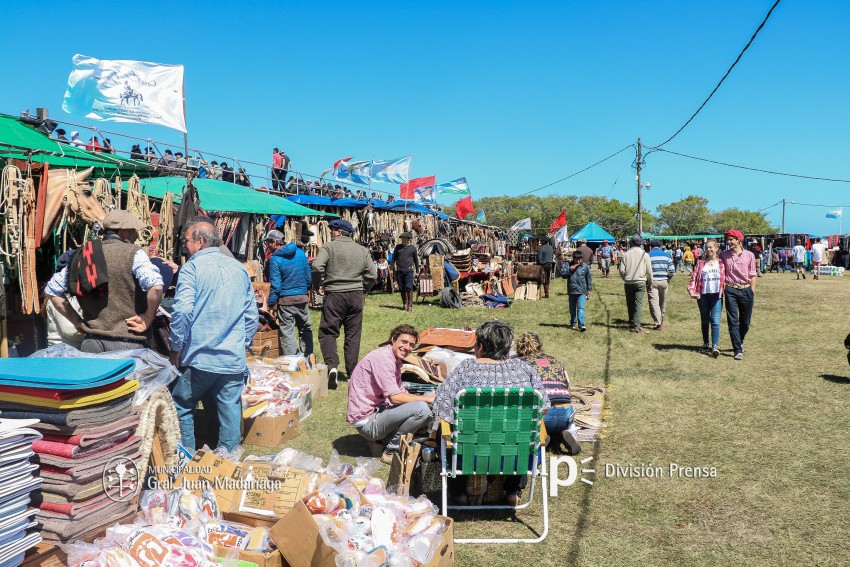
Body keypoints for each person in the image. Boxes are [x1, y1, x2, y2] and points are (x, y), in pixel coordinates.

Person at [432, 321, 550, 506]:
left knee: (443, 431)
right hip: (517, 457)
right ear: (506, 347)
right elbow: (543, 408)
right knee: (529, 431)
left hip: (469, 456)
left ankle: (458, 493)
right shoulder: (525, 370)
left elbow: (442, 409)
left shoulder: (465, 370)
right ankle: (512, 490)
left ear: (479, 346)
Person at [168, 219, 259, 452]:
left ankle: (186, 459)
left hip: (200, 357)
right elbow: (251, 315)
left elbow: (183, 311)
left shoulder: (192, 268)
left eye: (186, 241)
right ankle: (228, 461)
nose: (184, 246)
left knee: (182, 404)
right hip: (230, 359)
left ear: (200, 241)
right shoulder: (238, 268)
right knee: (229, 409)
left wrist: (175, 348)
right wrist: (242, 343)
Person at [45, 210, 164, 353]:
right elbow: (156, 287)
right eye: (134, 231)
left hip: (92, 343)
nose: (137, 236)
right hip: (128, 342)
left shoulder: (84, 254)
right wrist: (148, 317)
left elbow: (52, 290)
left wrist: (76, 321)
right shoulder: (134, 253)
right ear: (124, 231)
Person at [347, 325, 434, 464]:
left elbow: (400, 391)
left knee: (425, 406)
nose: (407, 347)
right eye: (404, 342)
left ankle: (383, 439)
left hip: (378, 410)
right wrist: (427, 399)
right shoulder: (383, 359)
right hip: (368, 421)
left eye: (411, 345)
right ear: (393, 340)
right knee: (421, 409)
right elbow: (395, 397)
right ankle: (390, 450)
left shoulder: (393, 359)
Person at [312, 219, 377, 389]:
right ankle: (352, 373)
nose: (331, 233)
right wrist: (363, 290)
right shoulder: (362, 250)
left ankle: (332, 366)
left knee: (328, 332)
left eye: (332, 230)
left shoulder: (328, 247)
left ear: (339, 232)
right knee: (353, 335)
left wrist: (317, 285)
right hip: (356, 295)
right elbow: (373, 274)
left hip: (335, 295)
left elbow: (317, 266)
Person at [514, 332, 580, 455]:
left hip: (544, 415)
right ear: (539, 345)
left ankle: (542, 437)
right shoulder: (555, 361)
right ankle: (565, 431)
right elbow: (568, 388)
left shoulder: (518, 364)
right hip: (566, 412)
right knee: (561, 420)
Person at [266, 229, 313, 357]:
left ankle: (293, 362)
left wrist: (270, 303)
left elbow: (276, 286)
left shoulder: (275, 259)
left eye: (268, 243)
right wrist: (304, 291)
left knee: (287, 333)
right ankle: (308, 358)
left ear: (275, 243)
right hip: (302, 298)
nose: (267, 246)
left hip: (286, 301)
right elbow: (308, 277)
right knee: (305, 329)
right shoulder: (300, 253)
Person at [719, 229, 757, 361]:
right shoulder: (723, 255)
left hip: (746, 289)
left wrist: (751, 291)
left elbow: (753, 274)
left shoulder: (749, 255)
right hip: (731, 290)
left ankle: (739, 340)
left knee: (745, 322)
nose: (729, 242)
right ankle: (737, 349)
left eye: (731, 239)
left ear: (738, 240)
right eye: (728, 240)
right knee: (733, 321)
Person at [687, 239, 725, 358]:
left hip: (717, 296)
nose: (709, 249)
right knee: (704, 320)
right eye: (707, 247)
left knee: (715, 321)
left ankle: (714, 346)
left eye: (711, 247)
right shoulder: (700, 263)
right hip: (703, 296)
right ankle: (705, 343)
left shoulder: (721, 263)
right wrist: (691, 290)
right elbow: (694, 278)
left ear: (716, 248)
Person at [618, 235, 653, 333]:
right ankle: (637, 327)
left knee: (630, 303)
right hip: (641, 282)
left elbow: (621, 270)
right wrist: (650, 283)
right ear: (641, 244)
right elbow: (649, 272)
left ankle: (631, 322)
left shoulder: (626, 254)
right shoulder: (645, 255)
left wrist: (625, 278)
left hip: (628, 282)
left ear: (631, 243)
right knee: (638, 304)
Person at [648, 239, 675, 331]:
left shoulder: (648, 256)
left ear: (650, 246)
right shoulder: (667, 256)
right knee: (662, 301)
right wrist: (668, 279)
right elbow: (672, 271)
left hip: (653, 281)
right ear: (660, 246)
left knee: (653, 302)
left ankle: (658, 323)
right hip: (664, 281)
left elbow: (645, 270)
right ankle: (661, 318)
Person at [392, 232, 419, 311]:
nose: (403, 240)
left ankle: (410, 305)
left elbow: (416, 260)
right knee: (402, 288)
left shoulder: (412, 248)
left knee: (409, 287)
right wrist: (391, 268)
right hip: (399, 270)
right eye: (402, 238)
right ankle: (404, 303)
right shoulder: (398, 247)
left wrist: (417, 271)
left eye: (404, 238)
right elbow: (393, 258)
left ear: (408, 239)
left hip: (409, 270)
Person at [566, 250, 592, 331]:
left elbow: (589, 278)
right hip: (572, 290)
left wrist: (589, 289)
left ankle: (582, 324)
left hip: (582, 291)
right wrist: (570, 269)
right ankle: (573, 323)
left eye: (579, 259)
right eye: (576, 259)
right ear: (573, 259)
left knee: (580, 308)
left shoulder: (585, 266)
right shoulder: (569, 265)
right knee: (572, 308)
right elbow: (562, 274)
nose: (578, 261)